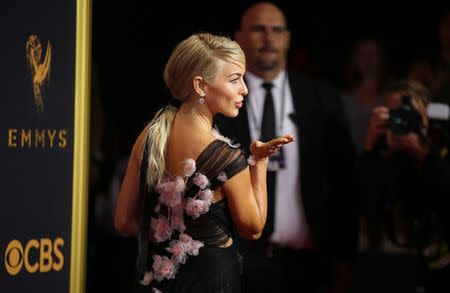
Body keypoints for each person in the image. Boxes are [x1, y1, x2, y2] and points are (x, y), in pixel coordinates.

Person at [114, 32, 294, 293]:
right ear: (200, 85)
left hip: (160, 282)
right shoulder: (225, 156)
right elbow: (253, 229)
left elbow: (123, 222)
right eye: (234, 80)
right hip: (213, 281)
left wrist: (171, 241)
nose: (245, 88)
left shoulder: (150, 135)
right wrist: (260, 161)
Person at [214, 2, 357, 293]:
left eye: (277, 30)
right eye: (258, 29)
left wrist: (343, 260)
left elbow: (345, 183)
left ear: (288, 38)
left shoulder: (321, 98)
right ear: (238, 37)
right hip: (233, 264)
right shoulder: (217, 100)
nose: (268, 38)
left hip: (308, 267)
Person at [359, 80, 450, 292]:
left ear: (427, 117)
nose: (402, 121)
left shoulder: (443, 153)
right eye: (395, 115)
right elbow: (365, 206)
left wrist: (424, 154)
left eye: (411, 115)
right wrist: (371, 149)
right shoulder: (384, 160)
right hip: (397, 271)